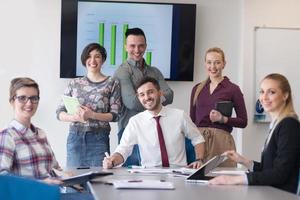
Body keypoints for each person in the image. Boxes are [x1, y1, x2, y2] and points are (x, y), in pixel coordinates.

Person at [209, 73, 300, 194]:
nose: (264, 97)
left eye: (271, 92)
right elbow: (268, 169)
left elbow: (280, 174)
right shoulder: (277, 124)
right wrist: (243, 160)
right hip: (271, 193)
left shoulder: (289, 125)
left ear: (285, 95)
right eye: (262, 92)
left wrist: (236, 180)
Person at [103, 77, 204, 169]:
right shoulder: (135, 122)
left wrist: (199, 160)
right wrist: (112, 161)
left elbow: (197, 138)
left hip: (178, 172)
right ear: (139, 98)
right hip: (150, 174)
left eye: (150, 92)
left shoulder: (179, 116)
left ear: (160, 93)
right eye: (142, 95)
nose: (147, 97)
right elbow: (123, 150)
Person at [113, 28, 174, 166]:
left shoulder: (155, 71)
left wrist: (150, 99)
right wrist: (156, 98)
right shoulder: (122, 72)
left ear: (146, 46)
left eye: (141, 45)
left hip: (154, 130)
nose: (137, 49)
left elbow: (170, 95)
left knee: (153, 176)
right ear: (125, 47)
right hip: (130, 130)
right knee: (131, 179)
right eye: (132, 46)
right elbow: (132, 102)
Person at [56, 43, 122, 167]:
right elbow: (59, 112)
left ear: (102, 60)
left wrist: (92, 115)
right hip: (75, 138)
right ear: (84, 59)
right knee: (74, 182)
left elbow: (115, 115)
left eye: (97, 56)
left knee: (97, 181)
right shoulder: (74, 83)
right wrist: (75, 117)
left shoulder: (112, 82)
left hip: (99, 139)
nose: (92, 60)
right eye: (89, 56)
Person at [189, 47, 247, 166]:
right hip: (199, 143)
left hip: (222, 142)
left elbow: (243, 121)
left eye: (217, 62)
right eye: (209, 62)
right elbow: (192, 121)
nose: (213, 67)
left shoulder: (233, 89)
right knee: (196, 181)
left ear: (224, 64)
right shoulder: (197, 89)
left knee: (223, 181)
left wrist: (223, 119)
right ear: (205, 64)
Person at [0, 77, 61, 184]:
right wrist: (42, 183)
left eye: (33, 98)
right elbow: (3, 177)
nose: (29, 103)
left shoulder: (41, 133)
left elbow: (54, 168)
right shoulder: (7, 135)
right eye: (22, 98)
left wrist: (68, 177)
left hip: (51, 193)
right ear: (12, 102)